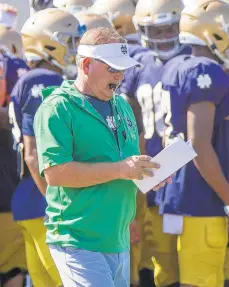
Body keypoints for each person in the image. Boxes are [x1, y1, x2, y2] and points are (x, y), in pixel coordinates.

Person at [34, 27, 170, 287]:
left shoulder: (122, 106)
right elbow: (56, 173)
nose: (119, 76)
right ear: (86, 65)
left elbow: (127, 167)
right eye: (112, 69)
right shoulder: (57, 108)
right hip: (77, 239)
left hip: (117, 239)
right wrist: (121, 169)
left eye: (122, 69)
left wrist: (151, 174)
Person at [9, 7, 84, 287]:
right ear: (48, 43)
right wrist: (59, 205)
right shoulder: (44, 81)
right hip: (45, 201)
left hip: (33, 199)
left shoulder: (34, 80)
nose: (75, 49)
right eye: (69, 41)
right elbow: (33, 154)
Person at [158, 1, 229, 287]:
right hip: (203, 198)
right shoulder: (205, 69)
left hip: (177, 191)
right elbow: (197, 142)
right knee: (201, 280)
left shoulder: (176, 64)